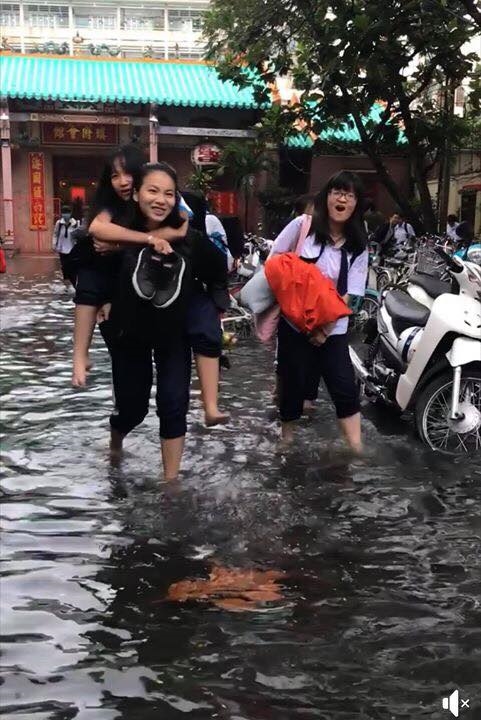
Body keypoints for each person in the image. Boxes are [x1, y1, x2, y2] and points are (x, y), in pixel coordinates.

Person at [107, 162, 228, 480]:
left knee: (173, 401)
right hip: (129, 334)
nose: (161, 200)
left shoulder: (190, 239)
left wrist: (213, 309)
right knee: (133, 409)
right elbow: (84, 265)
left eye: (169, 194)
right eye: (152, 191)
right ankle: (116, 440)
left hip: (172, 332)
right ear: (135, 194)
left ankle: (170, 480)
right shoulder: (114, 236)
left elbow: (219, 271)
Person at [72, 144, 188, 387]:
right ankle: (80, 355)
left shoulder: (156, 197)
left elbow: (181, 228)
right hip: (101, 267)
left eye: (127, 174)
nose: (122, 182)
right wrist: (148, 239)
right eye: (115, 175)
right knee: (89, 283)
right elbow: (97, 228)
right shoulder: (110, 204)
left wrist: (120, 245)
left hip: (131, 274)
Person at [269, 171, 369, 453]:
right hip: (294, 326)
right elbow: (275, 263)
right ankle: (286, 440)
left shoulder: (359, 245)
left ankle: (356, 448)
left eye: (349, 195)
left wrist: (324, 328)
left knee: (344, 388)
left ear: (355, 204)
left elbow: (353, 292)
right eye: (337, 192)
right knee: (293, 385)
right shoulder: (303, 227)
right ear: (326, 198)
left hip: (332, 331)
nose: (342, 199)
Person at [52, 205, 79, 286]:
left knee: (72, 267)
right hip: (62, 248)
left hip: (72, 248)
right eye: (64, 213)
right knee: (64, 267)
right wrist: (54, 244)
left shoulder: (75, 223)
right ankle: (66, 284)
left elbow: (78, 236)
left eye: (67, 213)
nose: (65, 215)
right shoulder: (59, 223)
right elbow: (55, 234)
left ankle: (74, 284)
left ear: (70, 213)